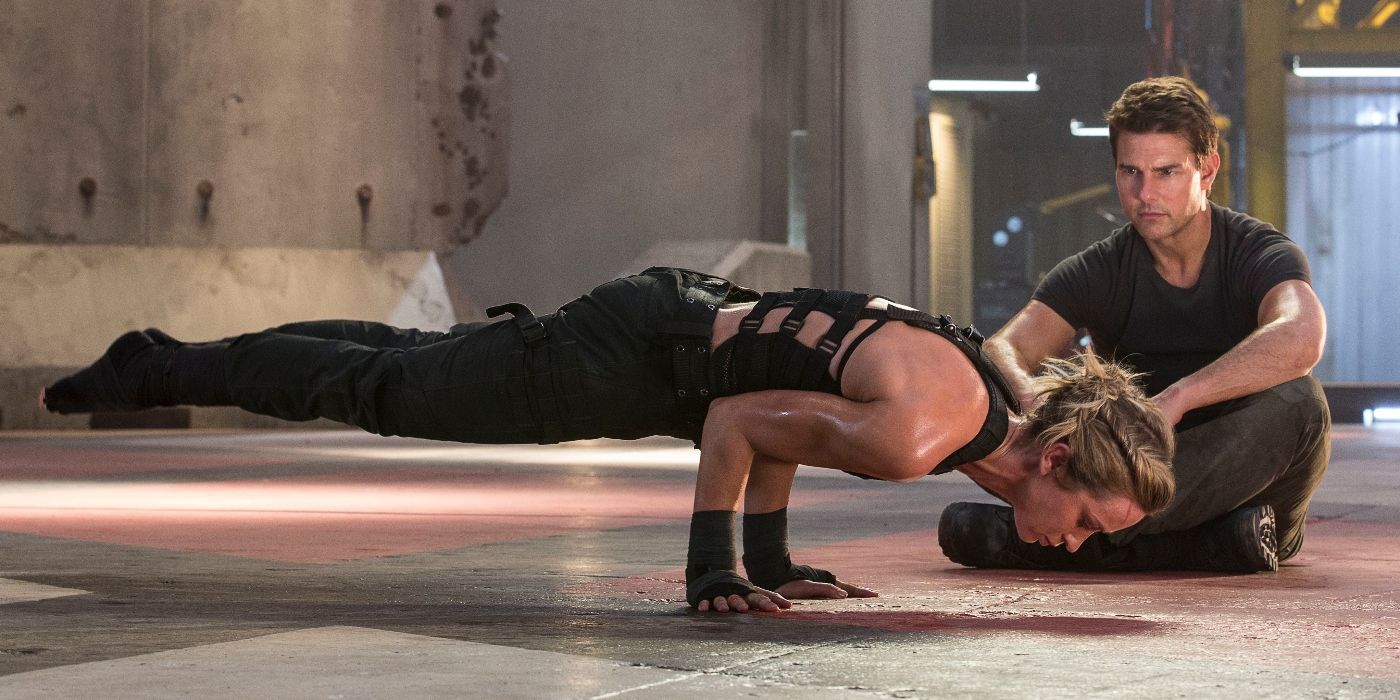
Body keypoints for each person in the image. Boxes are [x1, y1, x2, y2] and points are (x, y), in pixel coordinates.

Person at [42, 267, 1175, 612]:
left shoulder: (968, 407)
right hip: (632, 356)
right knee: (388, 390)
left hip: (666, 332)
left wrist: (773, 561)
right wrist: (713, 570)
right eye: (1086, 521)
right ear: (1055, 460)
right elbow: (738, 419)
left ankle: (167, 355)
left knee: (403, 363)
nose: (1073, 542)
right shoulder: (925, 434)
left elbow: (787, 402)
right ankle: (160, 367)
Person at [940, 76, 1330, 573]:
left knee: (1302, 403)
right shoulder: (1100, 269)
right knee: (998, 405)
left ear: (1207, 170)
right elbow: (1003, 349)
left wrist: (1178, 399)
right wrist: (1033, 400)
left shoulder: (1257, 251)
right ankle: (1204, 545)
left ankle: (1057, 537)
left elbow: (1302, 336)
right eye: (1131, 172)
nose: (1145, 193)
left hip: (1250, 488)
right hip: (1133, 486)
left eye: (1166, 172)